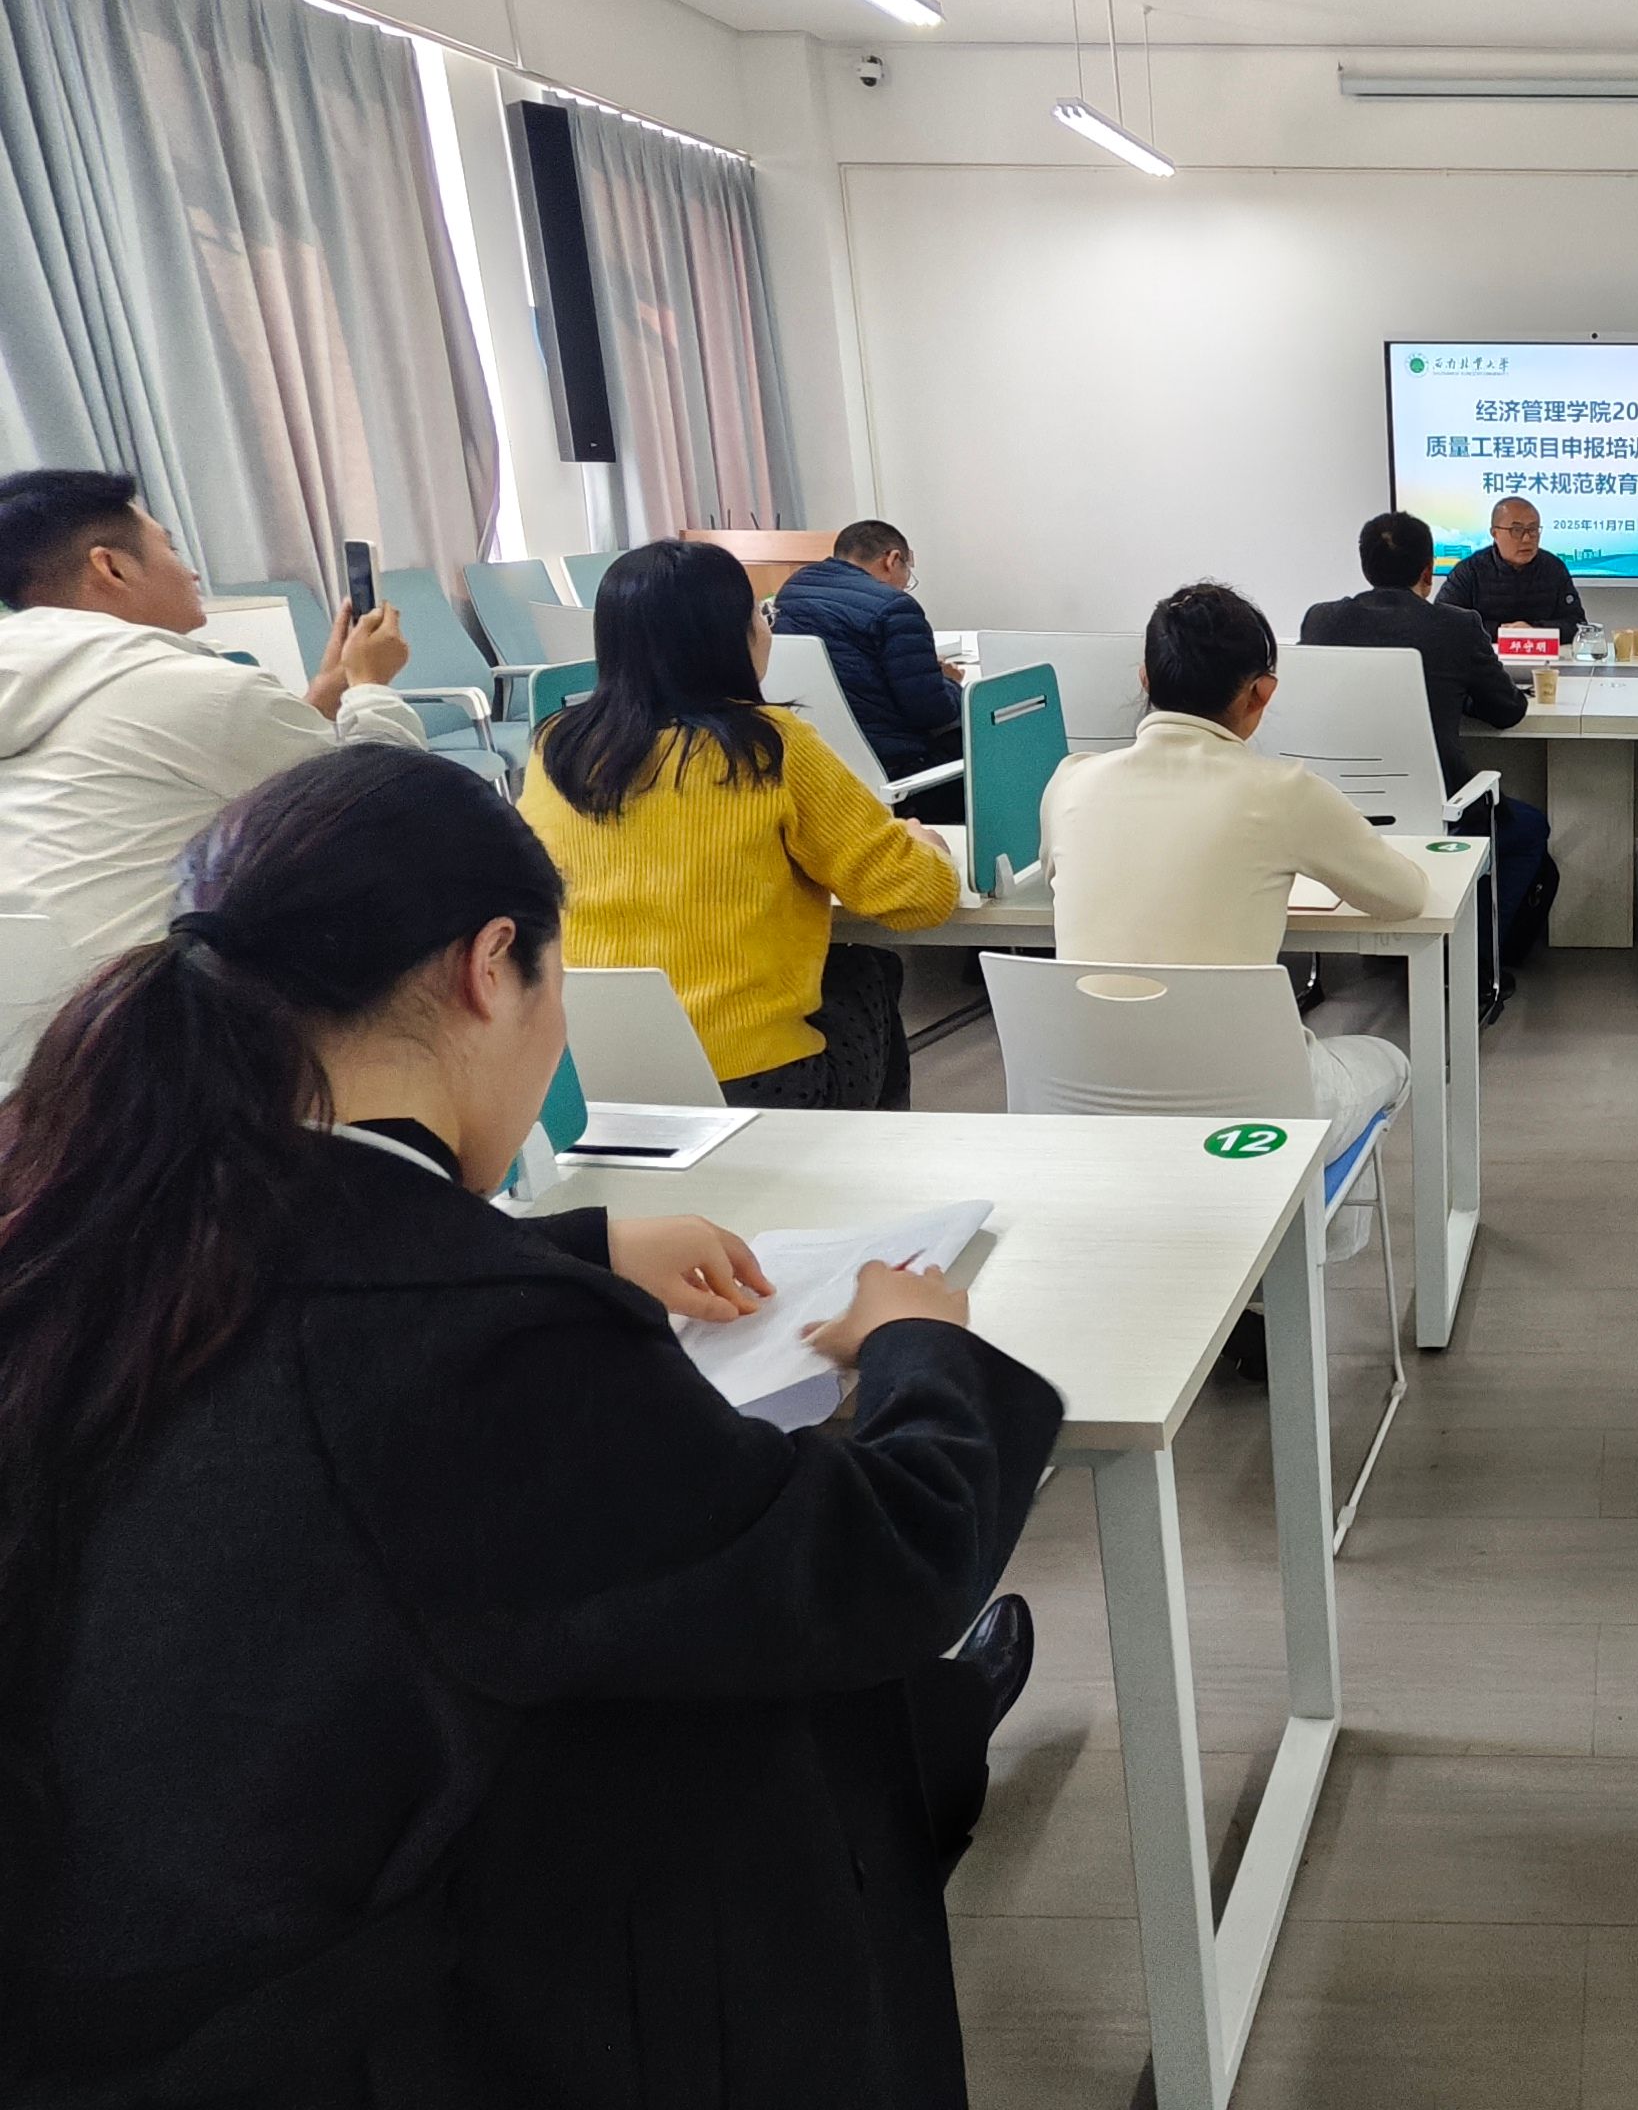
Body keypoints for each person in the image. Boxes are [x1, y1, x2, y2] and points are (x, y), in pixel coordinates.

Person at [1, 745, 1059, 2105]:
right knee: (785, 1690)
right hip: (355, 2013)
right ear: (490, 965)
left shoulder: (91, 1215)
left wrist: (574, 1244)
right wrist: (922, 1344)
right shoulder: (479, 1351)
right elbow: (878, 1562)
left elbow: (312, 1301)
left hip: (123, 1924)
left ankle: (941, 1728)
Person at [520, 540, 957, 1109]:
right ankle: (865, 1156)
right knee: (865, 972)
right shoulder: (769, 747)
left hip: (594, 1078)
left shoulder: (555, 747)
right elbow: (915, 898)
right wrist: (927, 847)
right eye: (758, 613)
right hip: (755, 1083)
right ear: (728, 637)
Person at [1039, 582, 1423, 1178]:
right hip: (1250, 1114)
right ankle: (1300, 1228)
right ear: (1261, 691)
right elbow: (1405, 897)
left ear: (1145, 679)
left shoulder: (1071, 781)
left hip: (1088, 1103)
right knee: (1388, 1060)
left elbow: (1055, 874)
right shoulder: (1285, 792)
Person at [0, 469, 423, 955]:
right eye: (171, 549)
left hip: (36, 986)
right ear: (111, 567)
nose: (192, 574)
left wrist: (328, 690)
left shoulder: (28, 679)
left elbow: (245, 770)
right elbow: (393, 810)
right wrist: (370, 687)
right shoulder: (192, 688)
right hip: (153, 988)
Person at [1300, 511, 1556, 974]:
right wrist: (1462, 696)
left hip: (1336, 810)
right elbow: (1508, 711)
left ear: (1365, 566)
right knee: (1527, 829)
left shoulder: (1321, 621)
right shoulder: (1456, 626)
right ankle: (1473, 961)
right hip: (1438, 812)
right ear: (1427, 570)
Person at [772, 519, 964, 807]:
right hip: (896, 769)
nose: (906, 584)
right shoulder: (895, 607)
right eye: (907, 572)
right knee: (989, 737)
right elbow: (932, 712)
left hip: (818, 765)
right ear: (892, 560)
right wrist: (949, 682)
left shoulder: (794, 590)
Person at [1435, 495, 1587, 640]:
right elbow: (1442, 621)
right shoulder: (1469, 571)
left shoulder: (1553, 568)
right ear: (1495, 533)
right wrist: (1503, 632)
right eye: (1517, 530)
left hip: (1542, 654)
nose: (1527, 538)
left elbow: (1577, 624)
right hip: (1483, 654)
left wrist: (1535, 630)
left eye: (1533, 529)